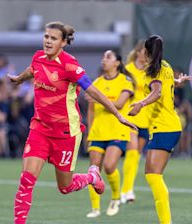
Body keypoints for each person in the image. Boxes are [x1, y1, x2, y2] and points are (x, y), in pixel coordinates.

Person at [8, 21, 137, 224]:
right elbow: (33, 69)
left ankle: (92, 177)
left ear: (63, 43)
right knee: (26, 180)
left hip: (66, 133)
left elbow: (92, 90)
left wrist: (118, 115)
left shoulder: (70, 65)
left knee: (65, 187)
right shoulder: (38, 57)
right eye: (46, 36)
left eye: (53, 38)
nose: (48, 41)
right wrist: (19, 79)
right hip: (40, 128)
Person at [128, 35, 189, 224]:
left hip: (165, 127)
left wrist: (140, 103)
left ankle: (166, 222)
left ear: (146, 52)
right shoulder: (166, 66)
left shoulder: (151, 72)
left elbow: (157, 92)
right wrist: (179, 81)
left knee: (153, 175)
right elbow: (167, 84)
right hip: (166, 126)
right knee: (153, 175)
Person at [85, 50, 136, 218]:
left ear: (117, 63)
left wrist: (99, 98)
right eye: (103, 57)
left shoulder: (125, 81)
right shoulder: (96, 83)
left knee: (109, 166)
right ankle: (95, 208)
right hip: (98, 132)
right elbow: (91, 111)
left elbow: (120, 104)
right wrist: (89, 132)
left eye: (108, 57)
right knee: (94, 170)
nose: (104, 60)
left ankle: (115, 197)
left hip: (118, 131)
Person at [120, 41, 151, 204]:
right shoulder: (128, 70)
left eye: (149, 53)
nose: (146, 56)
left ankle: (127, 188)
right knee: (131, 152)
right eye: (144, 52)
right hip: (130, 116)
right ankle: (127, 190)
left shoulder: (151, 72)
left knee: (136, 156)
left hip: (146, 118)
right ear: (138, 52)